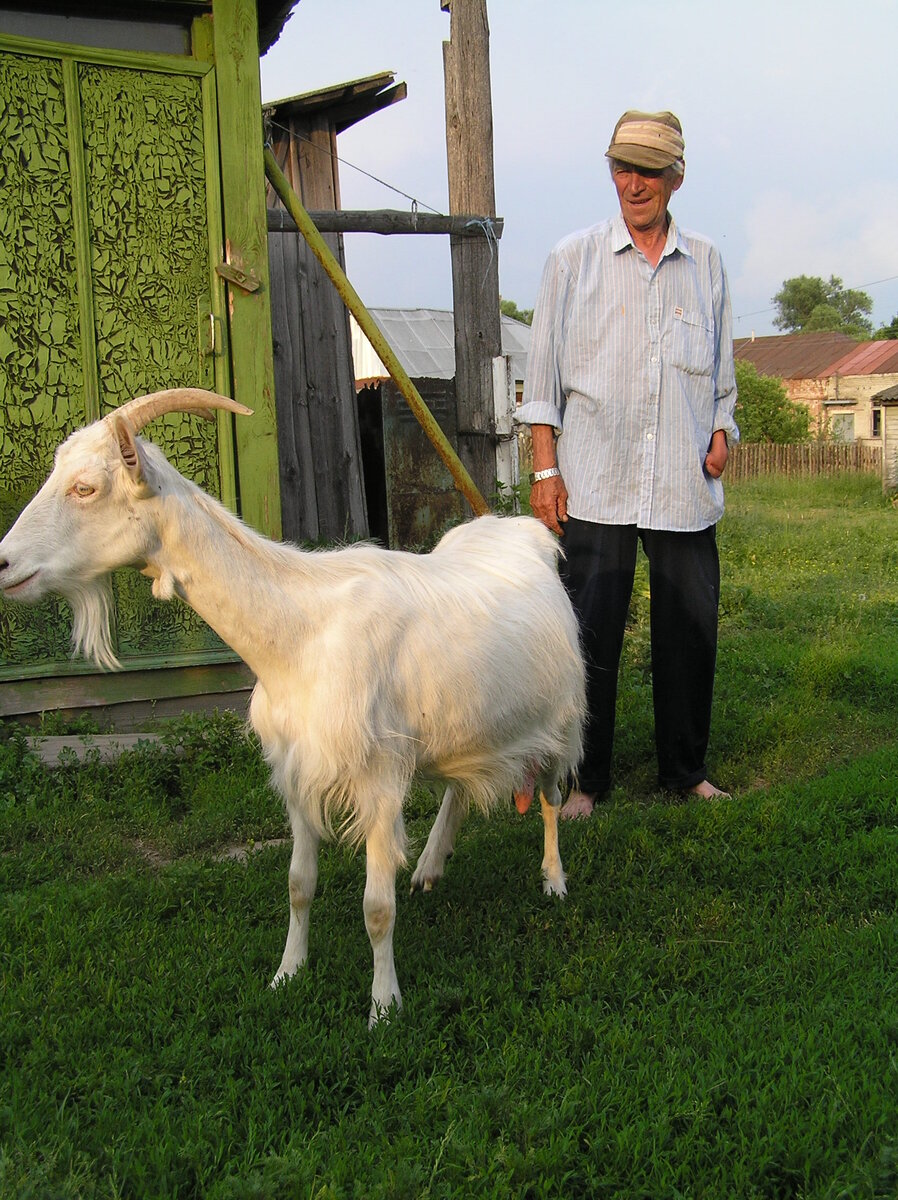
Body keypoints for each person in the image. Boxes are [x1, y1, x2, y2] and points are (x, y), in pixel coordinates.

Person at [517, 109, 738, 818]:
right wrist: (546, 472)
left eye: (648, 170)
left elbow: (722, 378)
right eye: (623, 167)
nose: (633, 183)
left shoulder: (706, 263)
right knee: (588, 639)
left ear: (677, 178)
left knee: (689, 633)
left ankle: (685, 770)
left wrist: (723, 428)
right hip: (597, 484)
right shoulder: (571, 260)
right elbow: (542, 384)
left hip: (681, 483)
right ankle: (586, 780)